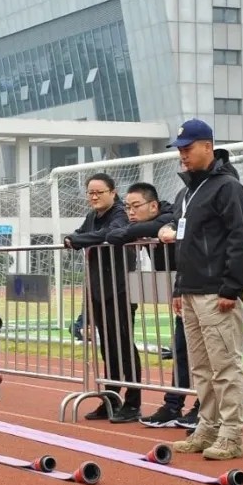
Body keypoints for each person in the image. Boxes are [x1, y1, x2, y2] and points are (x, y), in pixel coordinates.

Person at [157, 118, 243, 461]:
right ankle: (207, 426)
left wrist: (231, 287)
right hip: (191, 290)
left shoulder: (227, 187)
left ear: (208, 146)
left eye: (188, 148)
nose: (182, 155)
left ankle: (232, 433)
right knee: (201, 367)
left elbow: (238, 238)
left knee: (225, 365)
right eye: (179, 149)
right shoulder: (186, 193)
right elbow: (185, 245)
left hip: (216, 291)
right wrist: (178, 288)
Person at [106, 181, 200, 430]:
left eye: (136, 206)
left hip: (202, 288)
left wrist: (132, 232)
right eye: (127, 207)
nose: (130, 212)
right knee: (181, 349)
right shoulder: (160, 217)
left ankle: (203, 406)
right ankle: (173, 405)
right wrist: (132, 231)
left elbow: (165, 222)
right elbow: (113, 233)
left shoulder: (170, 214)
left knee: (203, 354)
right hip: (181, 291)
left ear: (154, 206)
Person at [65, 173, 143, 424]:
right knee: (107, 347)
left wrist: (77, 240)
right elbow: (77, 234)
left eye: (99, 192)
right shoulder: (92, 217)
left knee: (123, 345)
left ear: (113, 192)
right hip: (98, 291)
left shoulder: (120, 213)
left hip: (120, 291)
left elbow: (110, 234)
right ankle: (111, 398)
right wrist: (76, 239)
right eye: (90, 193)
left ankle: (133, 402)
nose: (94, 197)